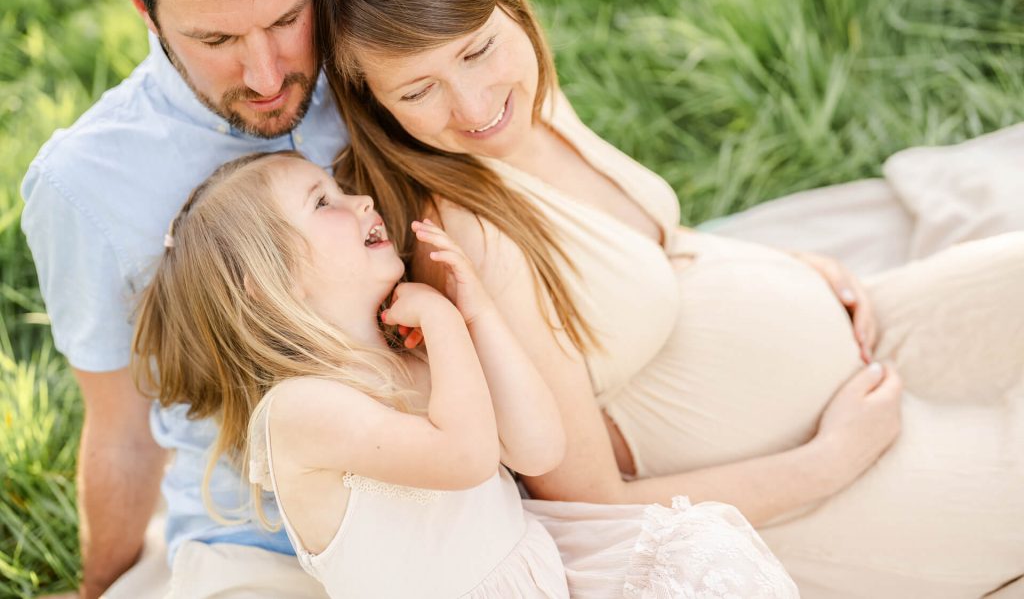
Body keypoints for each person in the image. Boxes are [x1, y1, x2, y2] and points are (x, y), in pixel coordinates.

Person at [317, 0, 1024, 595]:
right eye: (417, 89)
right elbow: (594, 499)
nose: (472, 104)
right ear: (370, 98)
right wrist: (830, 460)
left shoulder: (528, 100)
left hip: (851, 362)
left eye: (476, 49)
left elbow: (643, 239)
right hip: (798, 492)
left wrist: (781, 265)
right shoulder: (469, 235)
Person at [130, 148, 799, 598]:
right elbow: (468, 455)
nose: (361, 201)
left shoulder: (419, 358)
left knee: (703, 555)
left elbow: (538, 446)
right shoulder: (300, 410)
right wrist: (447, 323)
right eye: (323, 202)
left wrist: (476, 311)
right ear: (264, 283)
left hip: (543, 573)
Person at [20, 0, 346, 595]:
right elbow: (122, 431)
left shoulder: (372, 52)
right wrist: (101, 587)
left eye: (287, 17)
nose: (265, 75)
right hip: (262, 548)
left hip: (460, 477)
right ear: (143, 6)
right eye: (216, 39)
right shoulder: (85, 187)